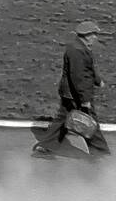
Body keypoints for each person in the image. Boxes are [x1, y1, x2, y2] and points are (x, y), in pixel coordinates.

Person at [32, 20, 110, 158]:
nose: (96, 37)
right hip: (76, 94)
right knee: (89, 122)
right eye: (94, 34)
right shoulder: (77, 51)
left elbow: (88, 69)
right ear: (87, 35)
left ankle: (45, 147)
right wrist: (85, 100)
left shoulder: (80, 48)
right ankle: (100, 151)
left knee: (62, 121)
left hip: (70, 93)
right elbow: (79, 77)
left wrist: (98, 81)